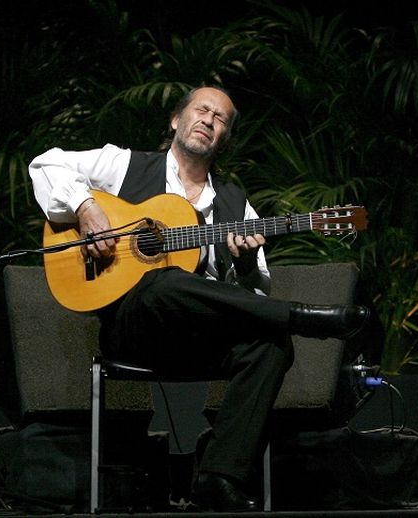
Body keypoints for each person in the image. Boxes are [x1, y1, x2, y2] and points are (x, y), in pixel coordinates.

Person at [28, 85, 369, 511]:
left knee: (270, 345)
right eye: (202, 110)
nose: (209, 120)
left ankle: (219, 478)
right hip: (134, 331)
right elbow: (45, 163)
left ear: (223, 139)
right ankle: (299, 316)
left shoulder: (235, 204)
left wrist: (243, 266)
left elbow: (254, 287)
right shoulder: (125, 164)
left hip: (197, 343)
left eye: (220, 118)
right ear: (176, 120)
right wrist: (85, 209)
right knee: (164, 282)